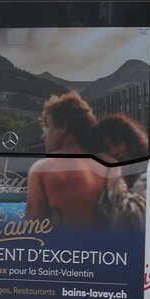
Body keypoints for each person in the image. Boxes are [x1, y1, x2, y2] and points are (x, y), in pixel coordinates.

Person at [25, 92, 107, 227]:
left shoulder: (43, 169)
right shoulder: (107, 169)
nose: (43, 136)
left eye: (48, 127)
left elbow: (33, 231)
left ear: (63, 126)